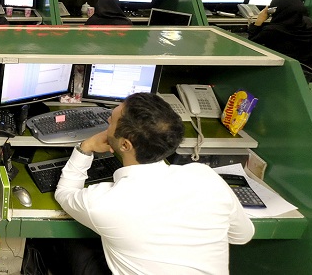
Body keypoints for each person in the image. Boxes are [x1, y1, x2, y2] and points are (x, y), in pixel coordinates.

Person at [55, 92, 254, 275]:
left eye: (112, 121)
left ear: (125, 144)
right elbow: (243, 235)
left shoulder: (103, 203)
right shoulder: (206, 178)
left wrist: (86, 147)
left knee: (64, 244)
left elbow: (65, 192)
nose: (107, 120)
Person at [248, 0, 312, 66]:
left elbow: (251, 44)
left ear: (275, 10)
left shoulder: (272, 30)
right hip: (307, 69)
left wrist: (258, 22)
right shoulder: (308, 23)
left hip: (284, 71)